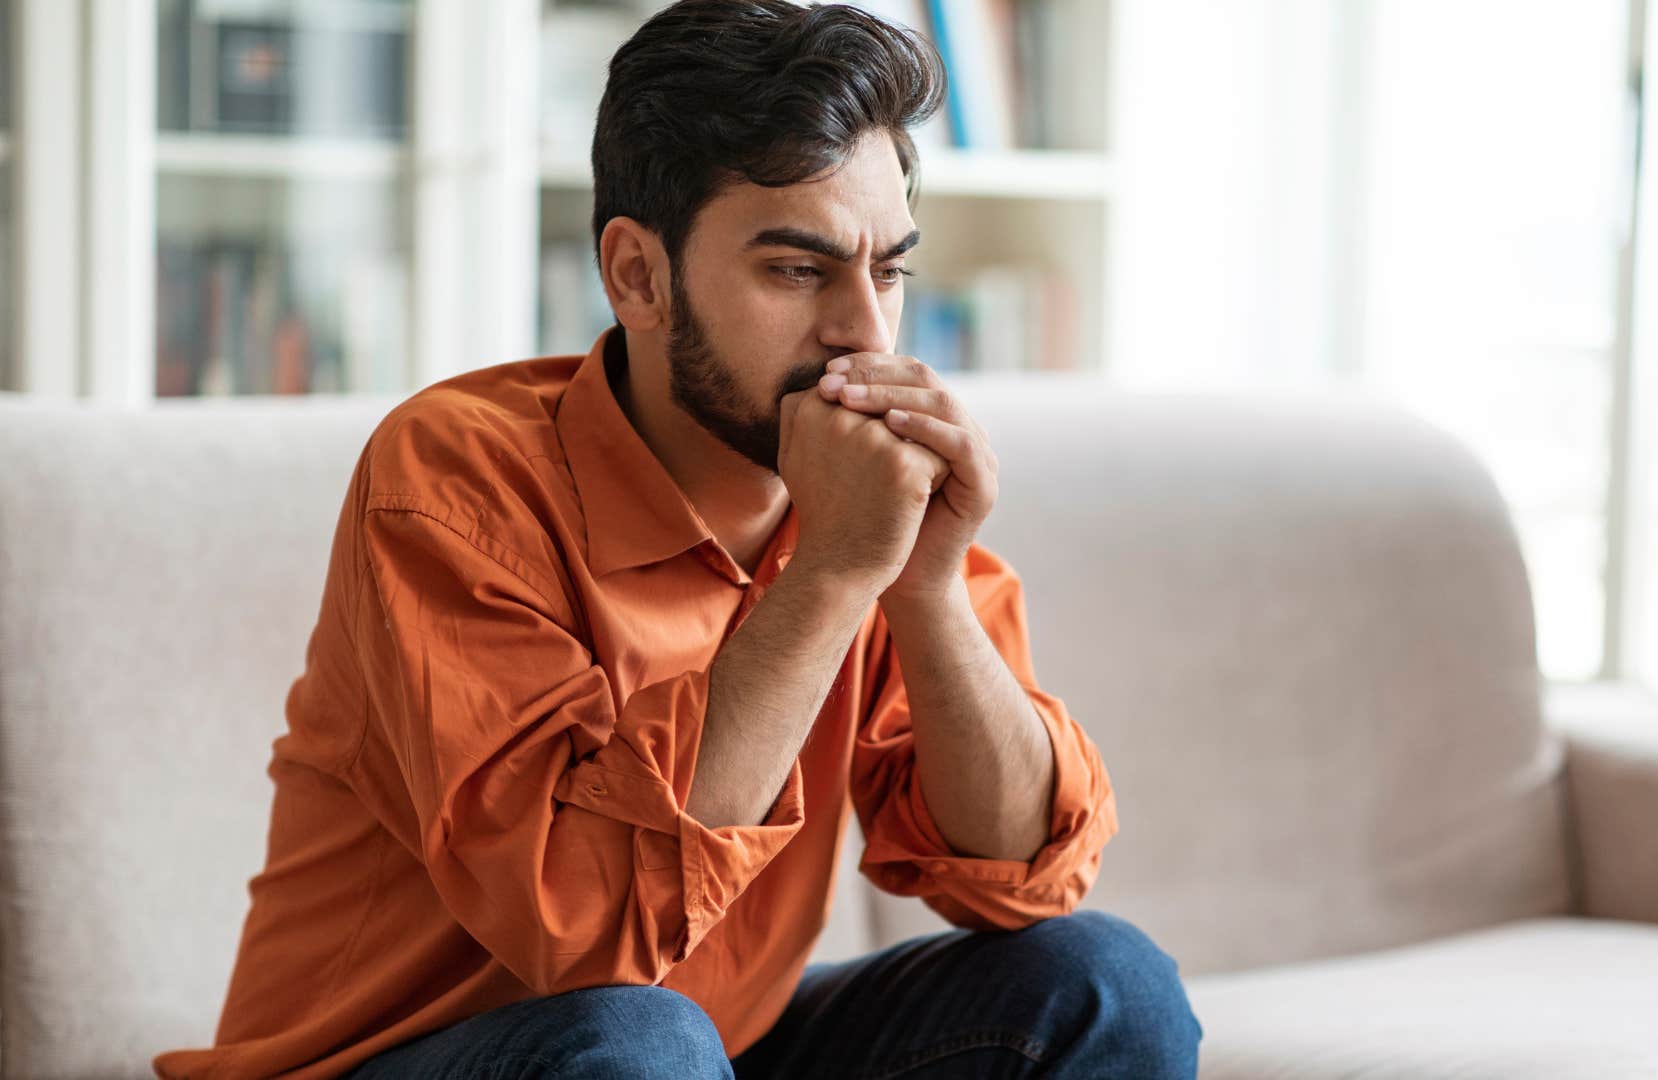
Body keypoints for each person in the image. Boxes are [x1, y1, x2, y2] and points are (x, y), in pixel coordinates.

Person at [152, 1, 1201, 1076]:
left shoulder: (856, 504)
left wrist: (924, 586)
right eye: (799, 271)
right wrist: (835, 576)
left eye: (887, 270)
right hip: (407, 1059)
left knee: (1104, 987)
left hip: (699, 1051)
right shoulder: (453, 482)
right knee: (638, 1039)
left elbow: (1022, 873)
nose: (865, 332)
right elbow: (583, 933)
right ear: (637, 276)